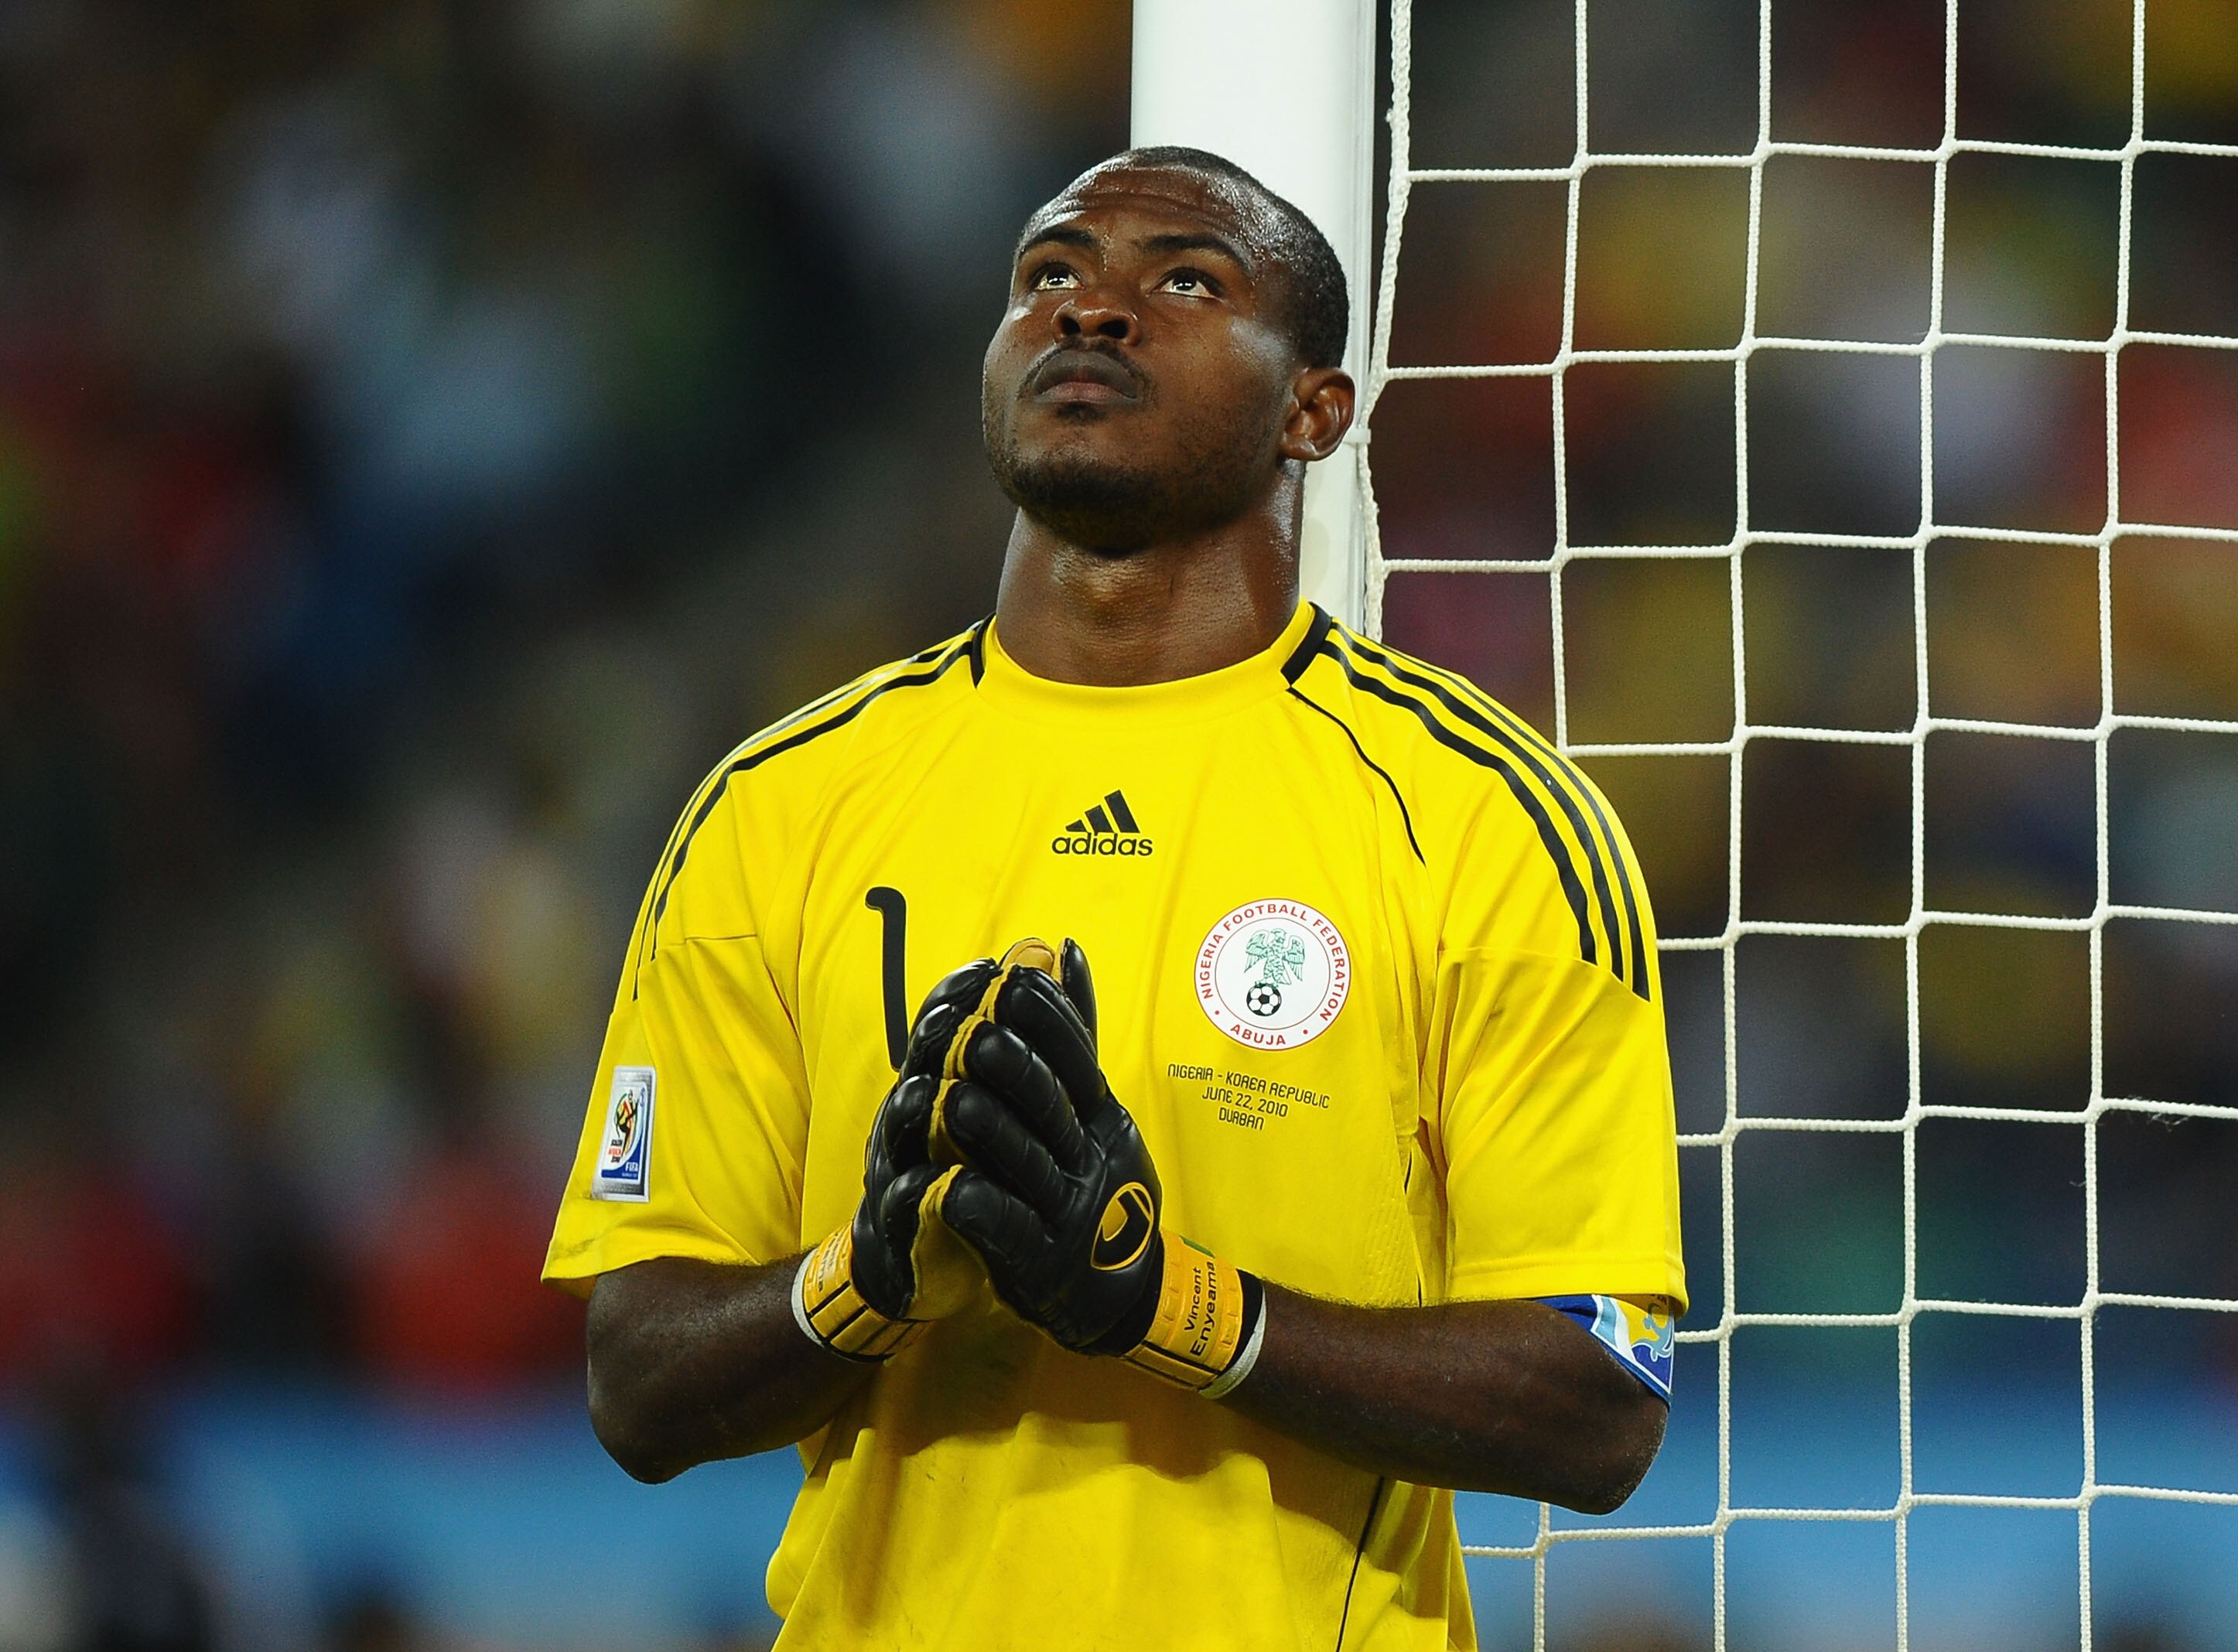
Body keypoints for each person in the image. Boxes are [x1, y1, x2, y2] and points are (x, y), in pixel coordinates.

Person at [542, 146, 1686, 1651]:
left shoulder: (1484, 819)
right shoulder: (778, 807)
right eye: (1049, 275)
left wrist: (1168, 1306)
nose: (1090, 310)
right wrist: (866, 1279)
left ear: (1314, 411)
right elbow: (636, 1385)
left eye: (1185, 280)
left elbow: (1599, 1406)